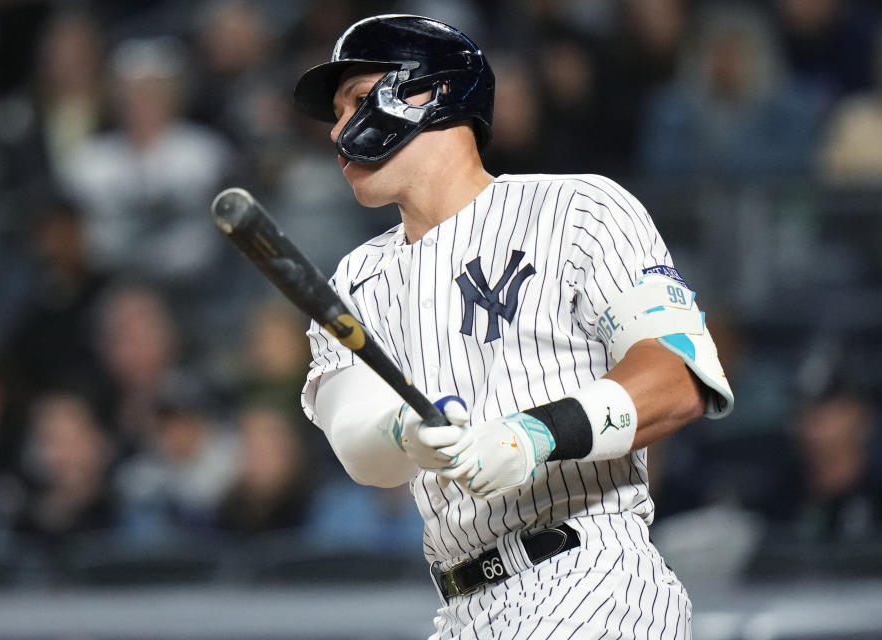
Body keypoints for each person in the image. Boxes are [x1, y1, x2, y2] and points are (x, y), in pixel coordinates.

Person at [294, 15, 734, 639]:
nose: (339, 128)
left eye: (359, 101)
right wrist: (407, 432)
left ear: (434, 92)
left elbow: (680, 374)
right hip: (460, 607)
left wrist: (530, 436)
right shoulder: (358, 277)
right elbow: (354, 438)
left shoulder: (579, 207)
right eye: (335, 114)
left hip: (590, 576)